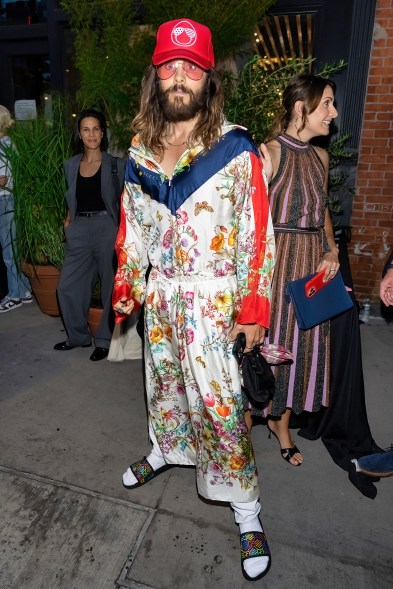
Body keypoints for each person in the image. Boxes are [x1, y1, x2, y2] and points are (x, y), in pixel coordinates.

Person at [112, 19, 275, 581]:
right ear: (155, 74)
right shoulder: (137, 153)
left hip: (213, 304)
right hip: (163, 301)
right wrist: (129, 283)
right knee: (165, 389)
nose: (179, 76)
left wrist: (254, 310)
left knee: (223, 409)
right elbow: (131, 227)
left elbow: (259, 236)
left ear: (208, 77)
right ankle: (166, 449)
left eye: (191, 67)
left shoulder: (236, 148)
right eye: (170, 65)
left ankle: (247, 512)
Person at [257, 74, 340, 466]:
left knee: (304, 348)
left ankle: (283, 425)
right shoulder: (268, 153)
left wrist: (332, 248)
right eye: (326, 103)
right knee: (269, 346)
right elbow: (251, 222)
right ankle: (246, 424)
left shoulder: (321, 157)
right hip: (277, 262)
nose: (333, 112)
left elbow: (323, 210)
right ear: (299, 108)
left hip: (312, 267)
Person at [54, 109, 125, 361]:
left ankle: (104, 340)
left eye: (96, 129)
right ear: (79, 134)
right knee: (67, 287)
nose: (91, 134)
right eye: (86, 129)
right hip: (79, 230)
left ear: (102, 133)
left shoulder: (116, 165)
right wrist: (69, 221)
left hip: (107, 228)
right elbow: (73, 196)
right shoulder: (71, 165)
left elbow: (127, 201)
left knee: (108, 286)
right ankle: (78, 337)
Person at [0, 105, 32, 313]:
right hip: (11, 199)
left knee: (9, 251)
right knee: (14, 248)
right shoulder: (8, 143)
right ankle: (25, 291)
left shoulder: (2, 145)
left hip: (5, 200)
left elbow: (3, 180)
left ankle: (15, 295)